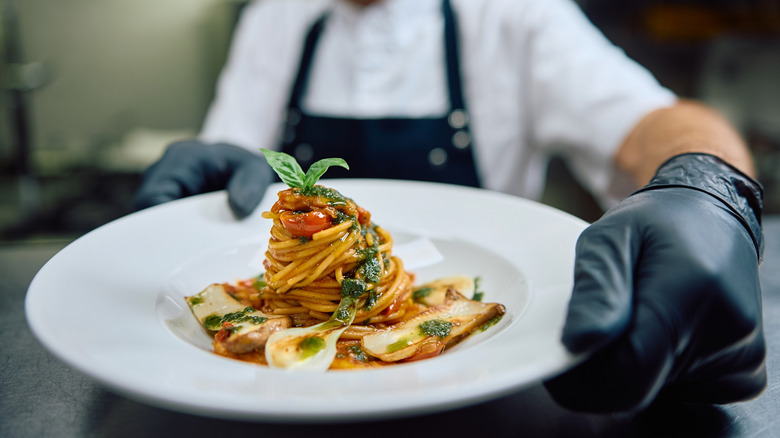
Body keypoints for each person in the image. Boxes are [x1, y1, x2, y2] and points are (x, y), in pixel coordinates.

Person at [135, 0, 766, 412]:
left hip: (488, 388)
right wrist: (215, 174)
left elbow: (660, 122)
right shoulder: (276, 16)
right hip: (271, 402)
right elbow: (246, 167)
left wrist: (705, 184)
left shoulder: (519, 15)